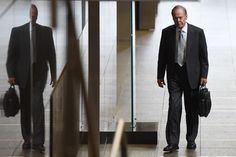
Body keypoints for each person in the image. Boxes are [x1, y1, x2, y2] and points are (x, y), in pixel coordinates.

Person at [157, 5, 209, 152]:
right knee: (174, 108)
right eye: (175, 18)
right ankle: (173, 142)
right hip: (174, 75)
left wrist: (204, 75)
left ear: (186, 17)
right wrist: (160, 75)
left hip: (192, 76)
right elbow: (162, 56)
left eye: (180, 17)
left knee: (191, 110)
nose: (178, 20)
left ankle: (191, 139)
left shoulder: (198, 33)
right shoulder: (166, 32)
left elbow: (204, 57)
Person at [6, 4, 56, 153]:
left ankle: (38, 142)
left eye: (35, 15)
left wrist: (53, 74)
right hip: (23, 76)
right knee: (26, 109)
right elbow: (11, 56)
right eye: (32, 15)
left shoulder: (46, 32)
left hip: (39, 75)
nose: (33, 18)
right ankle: (27, 139)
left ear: (37, 15)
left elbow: (51, 55)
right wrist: (11, 75)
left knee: (37, 107)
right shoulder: (17, 32)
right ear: (29, 15)